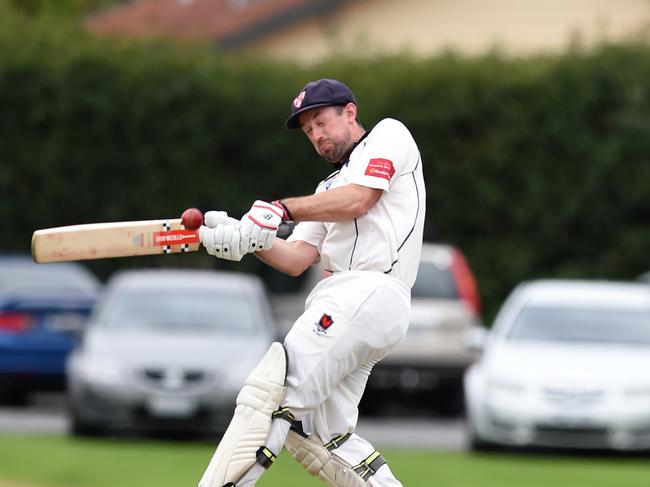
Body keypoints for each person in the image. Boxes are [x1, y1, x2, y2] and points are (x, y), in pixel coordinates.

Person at [197, 78, 426, 487]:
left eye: (321, 121)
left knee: (269, 396)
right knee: (317, 436)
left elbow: (360, 199)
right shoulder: (327, 189)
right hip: (357, 307)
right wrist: (244, 238)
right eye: (309, 131)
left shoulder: (389, 135)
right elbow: (295, 259)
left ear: (349, 112)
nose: (317, 135)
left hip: (368, 292)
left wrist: (280, 210)